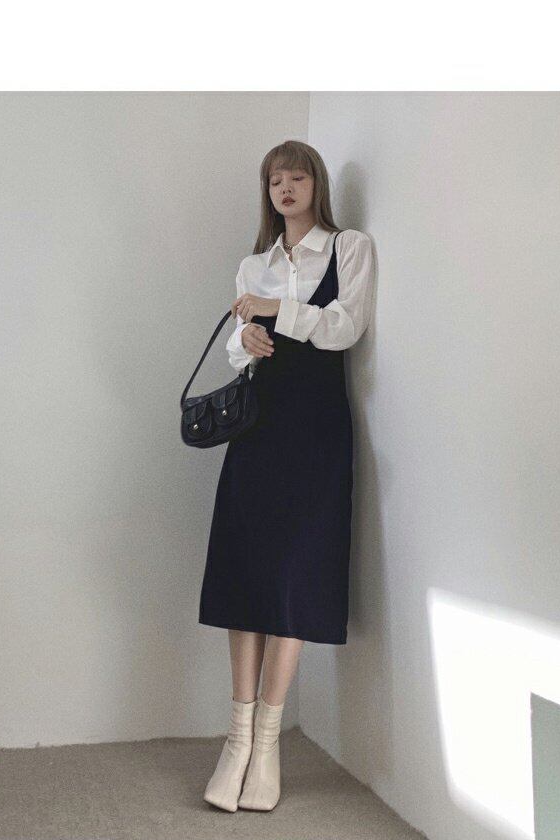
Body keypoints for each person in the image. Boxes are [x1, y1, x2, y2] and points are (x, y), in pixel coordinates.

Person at [199, 140, 375, 812]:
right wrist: (243, 340)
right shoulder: (256, 263)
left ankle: (268, 744)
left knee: (294, 578)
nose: (286, 187)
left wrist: (274, 313)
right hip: (258, 428)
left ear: (316, 184)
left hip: (317, 430)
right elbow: (235, 345)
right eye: (276, 179)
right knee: (246, 570)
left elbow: (346, 328)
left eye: (297, 176)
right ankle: (237, 741)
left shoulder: (349, 248)